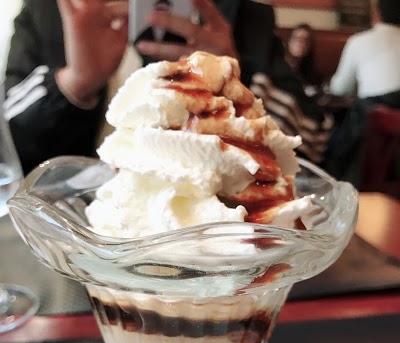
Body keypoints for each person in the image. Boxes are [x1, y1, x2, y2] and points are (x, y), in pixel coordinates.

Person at [5, 0, 332, 174]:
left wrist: (230, 83)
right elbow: (7, 145)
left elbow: (312, 140)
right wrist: (74, 83)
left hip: (210, 237)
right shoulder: (49, 10)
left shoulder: (241, 16)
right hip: (67, 232)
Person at [324, 0, 400, 184]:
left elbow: (340, 88)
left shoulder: (359, 41)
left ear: (377, 14)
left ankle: (337, 187)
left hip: (372, 121)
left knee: (338, 146)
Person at [285, 23, 319, 94]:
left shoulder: (307, 69)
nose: (300, 42)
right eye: (297, 38)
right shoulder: (280, 66)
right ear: (289, 42)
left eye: (306, 40)